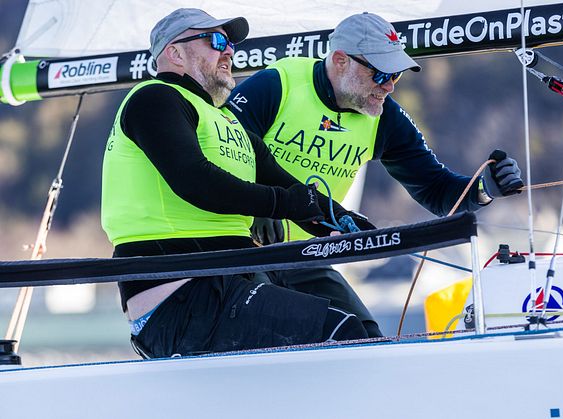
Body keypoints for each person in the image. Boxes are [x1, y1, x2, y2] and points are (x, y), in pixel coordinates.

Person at [227, 12, 524, 337]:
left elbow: (437, 191)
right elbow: (221, 144)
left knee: (366, 338)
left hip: (304, 258)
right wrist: (260, 202)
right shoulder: (279, 83)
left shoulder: (384, 117)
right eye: (380, 73)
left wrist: (483, 189)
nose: (389, 86)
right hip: (238, 252)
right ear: (340, 60)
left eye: (396, 75)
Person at [101, 8, 372, 359]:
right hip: (180, 297)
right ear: (175, 53)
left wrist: (349, 223)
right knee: (339, 334)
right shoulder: (154, 99)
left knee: (364, 333)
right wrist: (283, 203)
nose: (228, 51)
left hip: (230, 280)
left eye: (230, 43)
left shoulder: (227, 122)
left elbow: (295, 194)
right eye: (215, 41)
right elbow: (195, 181)